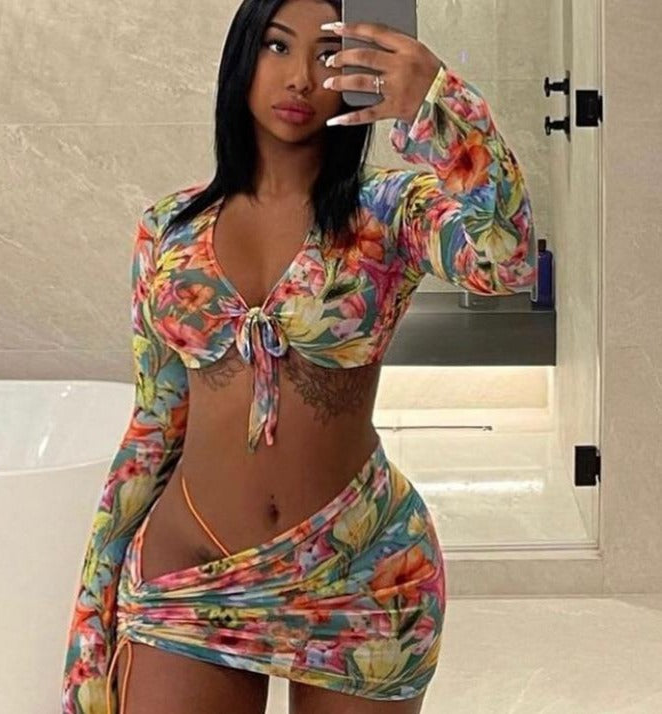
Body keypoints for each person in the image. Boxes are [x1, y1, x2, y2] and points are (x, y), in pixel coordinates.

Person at [61, 1, 536, 712]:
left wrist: (441, 105)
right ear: (242, 58)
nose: (301, 78)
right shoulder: (168, 228)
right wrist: (92, 604)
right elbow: (157, 423)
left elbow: (506, 260)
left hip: (361, 573)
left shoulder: (389, 210)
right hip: (191, 573)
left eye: (328, 54)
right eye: (278, 47)